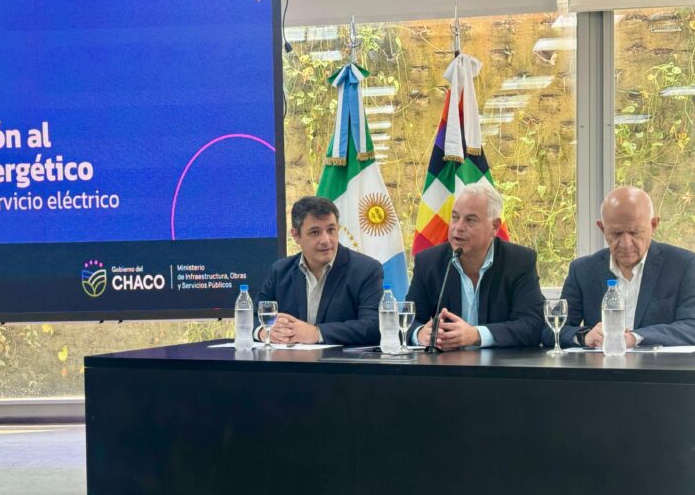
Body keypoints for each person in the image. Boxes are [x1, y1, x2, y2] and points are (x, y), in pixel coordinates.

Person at [546, 185, 695, 348]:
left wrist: (635, 338)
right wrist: (584, 336)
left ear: (653, 225)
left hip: (659, 364)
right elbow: (550, 331)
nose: (626, 244)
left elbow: (691, 327)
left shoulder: (684, 265)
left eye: (635, 233)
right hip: (602, 363)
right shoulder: (583, 271)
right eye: (616, 233)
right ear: (602, 228)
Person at [408, 183, 544, 349]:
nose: (458, 228)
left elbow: (532, 325)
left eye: (470, 220)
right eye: (455, 217)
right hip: (445, 363)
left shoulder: (519, 261)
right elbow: (409, 320)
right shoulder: (429, 262)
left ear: (494, 226)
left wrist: (476, 335)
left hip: (498, 363)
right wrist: (420, 333)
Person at [255, 196, 383, 346]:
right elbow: (253, 316)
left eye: (331, 230)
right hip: (288, 360)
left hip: (341, 360)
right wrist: (263, 331)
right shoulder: (280, 271)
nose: (326, 240)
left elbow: (374, 326)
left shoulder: (366, 270)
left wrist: (317, 333)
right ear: (296, 235)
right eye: (315, 232)